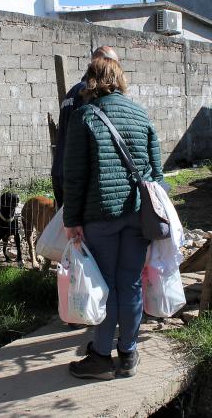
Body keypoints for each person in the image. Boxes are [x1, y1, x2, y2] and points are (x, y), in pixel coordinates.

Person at [63, 57, 163, 380]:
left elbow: (74, 176)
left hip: (100, 215)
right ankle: (129, 353)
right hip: (137, 215)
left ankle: (102, 357)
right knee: (131, 283)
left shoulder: (84, 117)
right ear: (119, 79)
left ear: (92, 81)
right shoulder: (141, 114)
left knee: (105, 286)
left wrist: (71, 219)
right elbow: (156, 172)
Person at [51, 45, 120, 206]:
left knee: (66, 226)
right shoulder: (90, 92)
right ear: (103, 64)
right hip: (77, 176)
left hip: (60, 170)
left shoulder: (72, 92)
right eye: (114, 65)